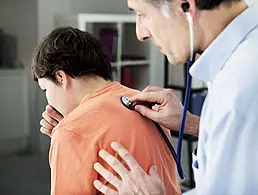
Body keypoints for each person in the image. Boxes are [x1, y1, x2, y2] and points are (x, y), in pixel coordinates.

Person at [88, 0, 258, 194]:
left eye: (142, 14)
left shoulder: (243, 86)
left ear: (185, 5)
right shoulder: (242, 64)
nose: (141, 34)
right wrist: (191, 123)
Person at [32, 26, 182, 194]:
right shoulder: (151, 105)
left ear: (61, 77)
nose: (49, 101)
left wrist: (68, 135)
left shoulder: (71, 132)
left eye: (45, 89)